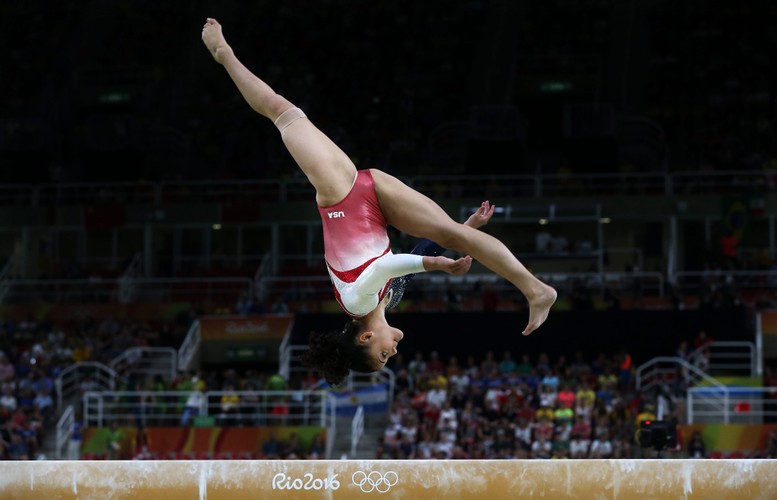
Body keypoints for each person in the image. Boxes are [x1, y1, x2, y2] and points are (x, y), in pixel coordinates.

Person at [201, 18, 557, 385]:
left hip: (342, 193)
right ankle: (537, 290)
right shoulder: (390, 300)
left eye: (384, 354)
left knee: (283, 113)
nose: (395, 350)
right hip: (377, 203)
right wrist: (466, 229)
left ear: (366, 337)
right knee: (455, 233)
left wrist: (435, 264)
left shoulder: (357, 304)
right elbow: (408, 256)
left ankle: (223, 53)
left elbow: (381, 269)